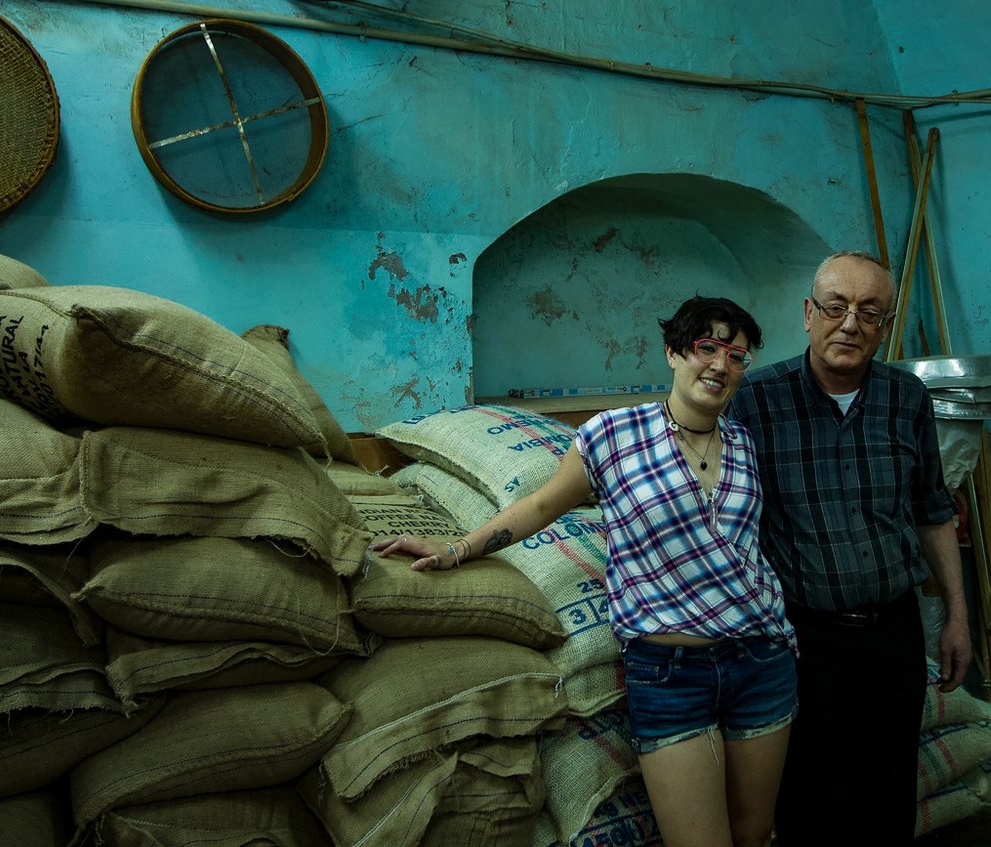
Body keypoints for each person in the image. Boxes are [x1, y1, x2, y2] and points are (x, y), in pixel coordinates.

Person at [372, 296, 797, 847]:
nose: (720, 365)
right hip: (669, 673)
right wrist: (459, 548)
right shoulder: (612, 436)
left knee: (755, 832)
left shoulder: (743, 444)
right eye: (706, 347)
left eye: (736, 356)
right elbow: (544, 505)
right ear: (673, 352)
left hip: (761, 658)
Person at [728, 251, 972, 847]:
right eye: (836, 308)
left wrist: (957, 617)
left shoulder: (905, 397)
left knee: (889, 793)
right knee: (816, 799)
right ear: (808, 314)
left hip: (895, 630)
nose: (850, 324)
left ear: (885, 326)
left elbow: (932, 511)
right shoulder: (755, 400)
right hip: (802, 637)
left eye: (869, 312)